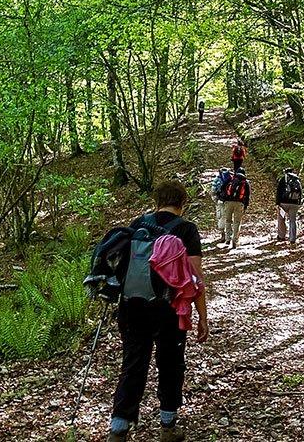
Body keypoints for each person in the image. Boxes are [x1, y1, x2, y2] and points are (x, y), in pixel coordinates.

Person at [107, 181, 209, 442]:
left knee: (132, 365)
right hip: (169, 309)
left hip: (132, 305)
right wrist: (202, 318)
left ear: (157, 201)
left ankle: (118, 429)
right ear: (182, 203)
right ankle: (168, 426)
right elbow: (195, 278)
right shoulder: (186, 229)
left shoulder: (137, 224)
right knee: (171, 364)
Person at [221, 168, 250, 249]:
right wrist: (245, 206)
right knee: (237, 222)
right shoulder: (245, 183)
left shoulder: (230, 179)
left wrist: (224, 199)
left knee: (228, 221)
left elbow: (222, 188)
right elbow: (247, 196)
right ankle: (235, 240)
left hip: (228, 202)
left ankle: (227, 239)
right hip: (239, 203)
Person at [276, 168, 302, 244]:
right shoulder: (297, 180)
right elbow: (300, 192)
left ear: (285, 172)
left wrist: (277, 203)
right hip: (294, 203)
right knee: (292, 221)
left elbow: (279, 191)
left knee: (281, 219)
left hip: (284, 203)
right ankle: (292, 239)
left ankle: (281, 236)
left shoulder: (283, 179)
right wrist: (299, 203)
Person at [211, 167, 231, 242]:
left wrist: (215, 200)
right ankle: (229, 235)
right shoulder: (231, 178)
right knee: (229, 218)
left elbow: (213, 191)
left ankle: (223, 235)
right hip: (229, 201)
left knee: (221, 217)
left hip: (220, 202)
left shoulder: (217, 179)